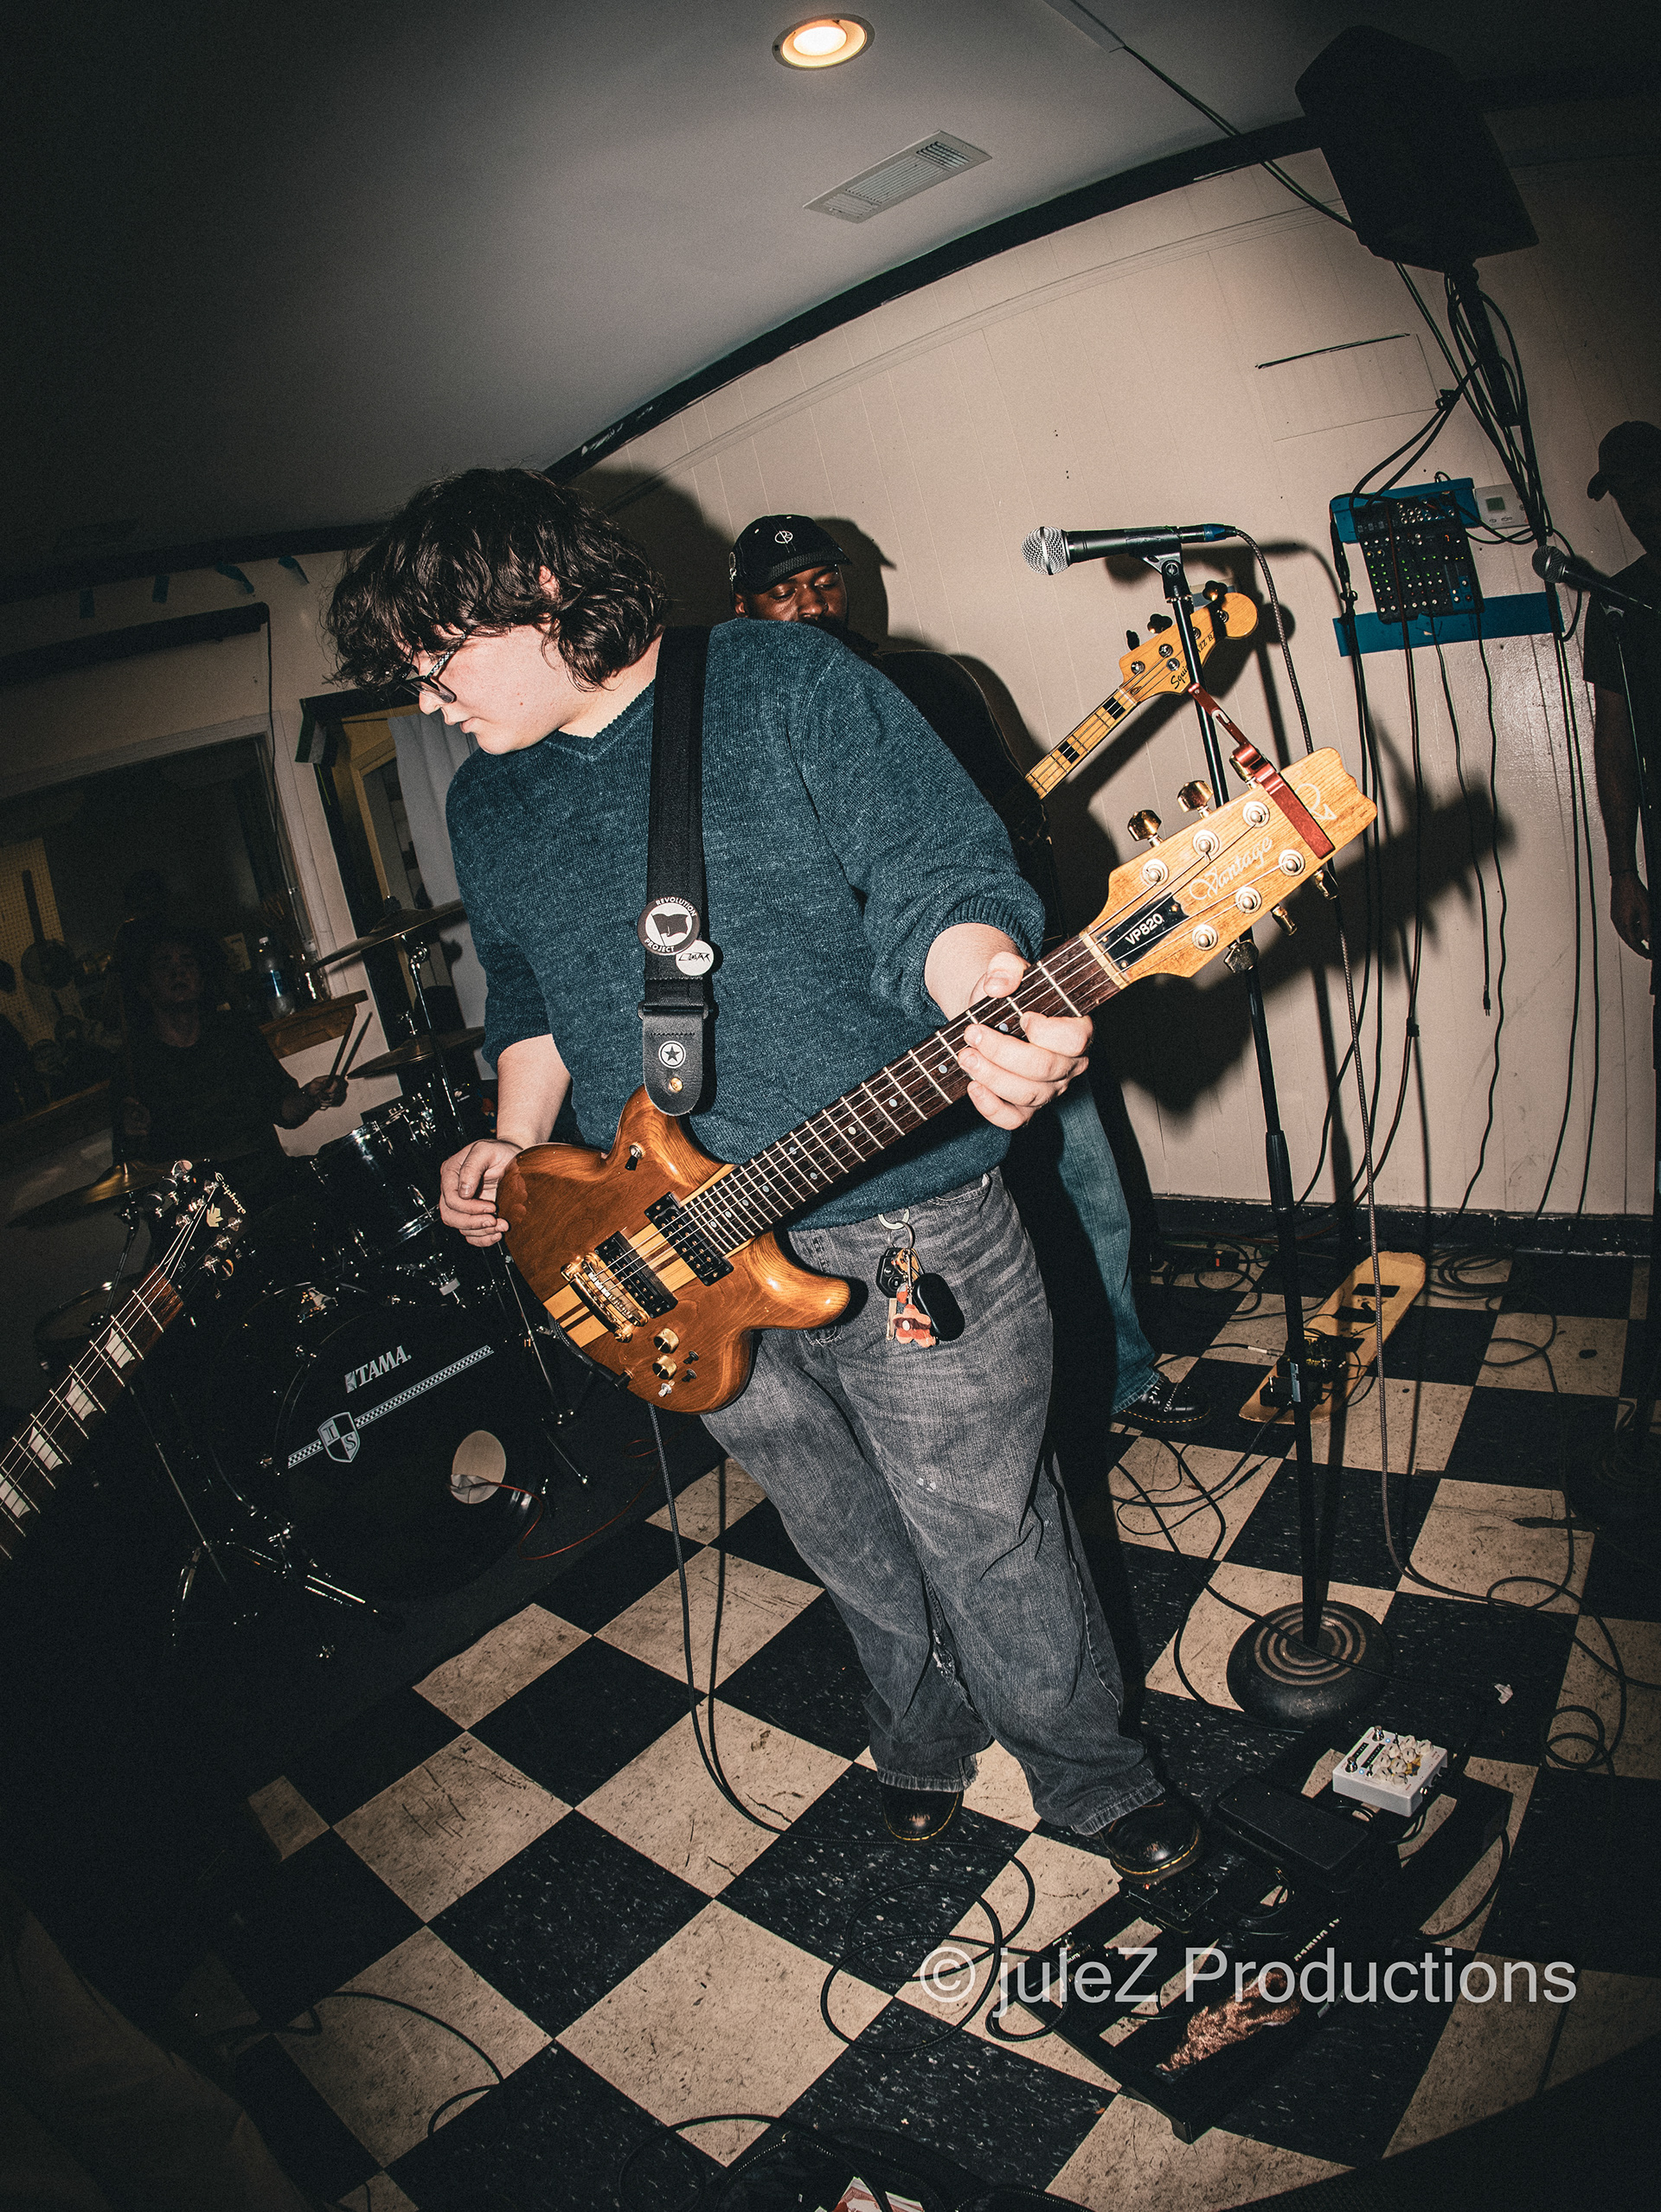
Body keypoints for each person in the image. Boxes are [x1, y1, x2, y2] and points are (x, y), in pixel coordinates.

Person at [326, 468, 1200, 1876]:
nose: (428, 701)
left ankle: (1093, 1776)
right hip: (668, 1249)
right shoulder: (489, 802)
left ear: (537, 595)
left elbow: (940, 878)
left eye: (439, 661)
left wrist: (991, 995)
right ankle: (919, 1731)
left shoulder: (784, 681)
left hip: (903, 1213)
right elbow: (529, 995)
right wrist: (513, 1138)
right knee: (836, 1524)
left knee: (984, 1526)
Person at [728, 514, 1206, 1433]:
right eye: (784, 592)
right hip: (869, 1036)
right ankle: (1022, 1415)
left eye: (824, 583)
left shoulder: (929, 680)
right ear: (743, 606)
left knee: (1090, 1187)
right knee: (956, 1234)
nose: (811, 605)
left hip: (988, 982)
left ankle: (1123, 1373)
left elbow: (1012, 822)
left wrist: (1011, 947)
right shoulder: (736, 715)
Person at [116, 926, 344, 1202]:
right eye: (165, 965)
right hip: (202, 1206)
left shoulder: (236, 1033)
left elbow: (283, 1110)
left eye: (188, 963)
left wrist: (312, 1095)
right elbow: (131, 1166)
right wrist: (132, 1134)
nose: (178, 972)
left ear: (202, 978)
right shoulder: (136, 1063)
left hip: (269, 1185)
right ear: (144, 986)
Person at [1584, 421, 1661, 959]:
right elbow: (1613, 743)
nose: (1634, 508)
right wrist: (1623, 871)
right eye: (1622, 495)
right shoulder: (1617, 602)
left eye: (1643, 486)